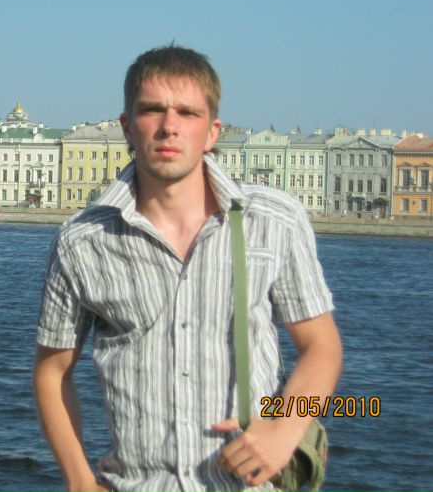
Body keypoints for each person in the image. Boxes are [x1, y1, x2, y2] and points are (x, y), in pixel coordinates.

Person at [34, 45, 342, 492]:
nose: (169, 126)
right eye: (152, 110)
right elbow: (52, 371)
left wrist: (285, 428)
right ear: (127, 126)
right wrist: (80, 481)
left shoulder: (274, 221)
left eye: (188, 112)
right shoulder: (82, 241)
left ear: (212, 131)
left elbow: (321, 345)